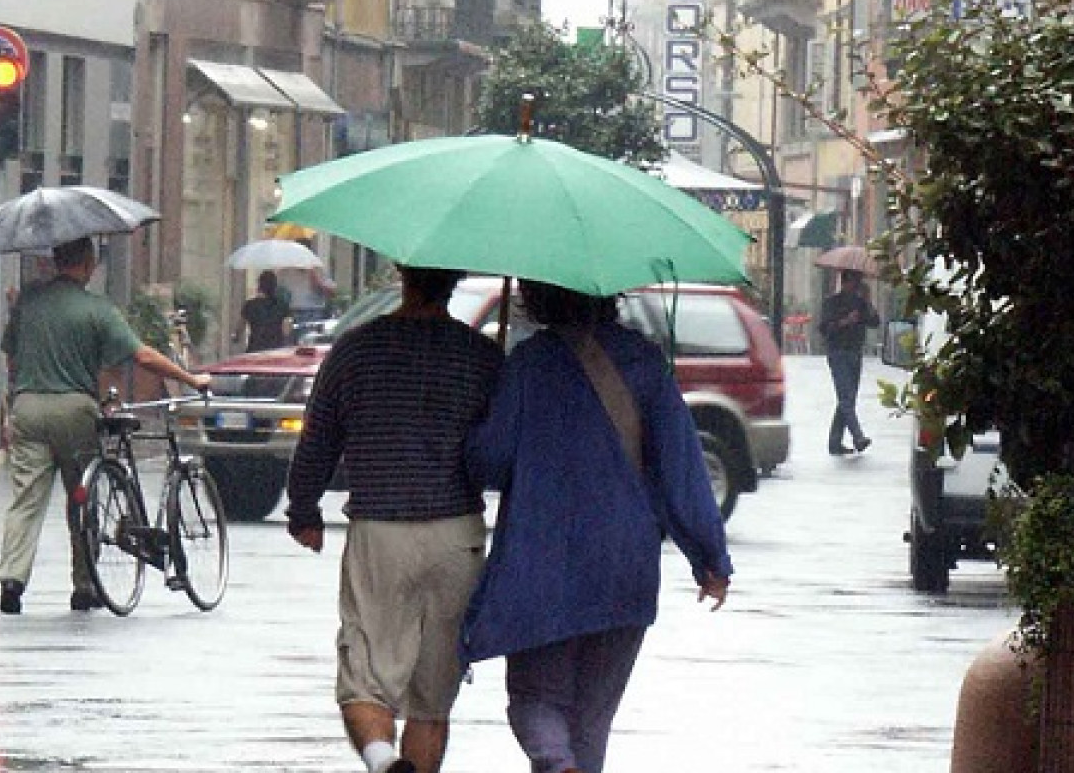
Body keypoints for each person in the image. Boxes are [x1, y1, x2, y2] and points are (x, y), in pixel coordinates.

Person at [460, 279, 732, 773]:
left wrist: (484, 420)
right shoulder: (645, 363)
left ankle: (556, 762)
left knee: (535, 699)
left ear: (537, 297)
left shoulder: (528, 364)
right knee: (591, 719)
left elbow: (489, 462)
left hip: (540, 561)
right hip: (623, 563)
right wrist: (709, 558)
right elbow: (681, 468)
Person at [286, 265, 505, 773]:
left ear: (403, 274)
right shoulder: (481, 356)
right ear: (455, 282)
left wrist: (304, 509)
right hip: (457, 535)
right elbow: (498, 454)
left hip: (380, 531)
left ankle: (384, 762)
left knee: (365, 680)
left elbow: (319, 437)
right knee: (433, 700)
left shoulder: (356, 349)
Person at [0, 236, 211, 615]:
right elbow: (142, 356)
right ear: (87, 263)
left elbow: (11, 359)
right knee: (82, 496)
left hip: (27, 406)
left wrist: (15, 398)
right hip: (74, 410)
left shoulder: (28, 303)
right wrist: (191, 379)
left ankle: (12, 581)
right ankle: (85, 585)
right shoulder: (97, 309)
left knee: (25, 500)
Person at [818, 268, 881, 456]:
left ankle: (834, 442)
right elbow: (824, 328)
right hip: (838, 352)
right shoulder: (832, 302)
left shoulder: (861, 303)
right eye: (853, 282)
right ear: (845, 282)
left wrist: (868, 302)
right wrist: (845, 321)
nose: (856, 287)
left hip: (855, 352)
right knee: (846, 398)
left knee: (848, 398)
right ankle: (858, 436)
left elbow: (875, 322)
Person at [240, 270, 293, 352]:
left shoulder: (250, 305)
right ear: (275, 286)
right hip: (275, 348)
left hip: (255, 348)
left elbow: (240, 326)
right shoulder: (282, 305)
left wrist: (235, 336)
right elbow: (286, 330)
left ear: (259, 286)